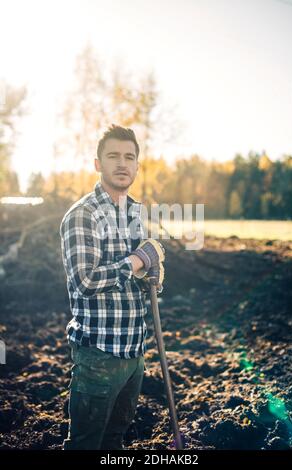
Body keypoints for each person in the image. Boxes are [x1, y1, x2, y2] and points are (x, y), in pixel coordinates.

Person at [60, 124, 165, 450]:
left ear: (137, 165)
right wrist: (136, 260)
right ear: (97, 164)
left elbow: (146, 271)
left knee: (114, 442)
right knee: (85, 444)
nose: (122, 163)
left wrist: (154, 271)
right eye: (113, 156)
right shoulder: (83, 215)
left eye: (129, 157)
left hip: (135, 353)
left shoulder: (137, 213)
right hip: (99, 356)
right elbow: (86, 281)